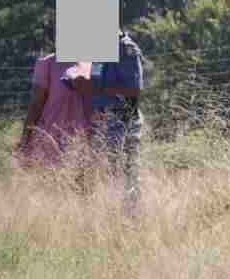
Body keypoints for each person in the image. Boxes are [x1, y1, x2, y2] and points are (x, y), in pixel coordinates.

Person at [74, 29, 145, 213]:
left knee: (123, 173)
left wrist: (98, 89)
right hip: (101, 120)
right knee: (96, 173)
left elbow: (133, 91)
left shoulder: (125, 48)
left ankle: (130, 216)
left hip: (122, 120)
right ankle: (108, 216)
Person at [17, 12, 95, 170]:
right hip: (51, 139)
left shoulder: (92, 64)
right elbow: (36, 105)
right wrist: (25, 141)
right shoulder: (46, 64)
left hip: (84, 140)